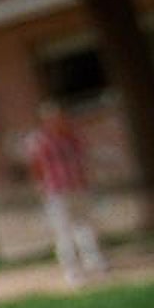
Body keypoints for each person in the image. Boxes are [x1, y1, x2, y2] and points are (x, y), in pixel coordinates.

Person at [26, 101, 107, 285]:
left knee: (86, 226)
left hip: (77, 187)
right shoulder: (39, 141)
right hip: (56, 191)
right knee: (64, 232)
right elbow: (36, 167)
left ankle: (94, 262)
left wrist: (86, 180)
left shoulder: (72, 138)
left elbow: (82, 160)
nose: (58, 121)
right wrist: (41, 187)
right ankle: (72, 271)